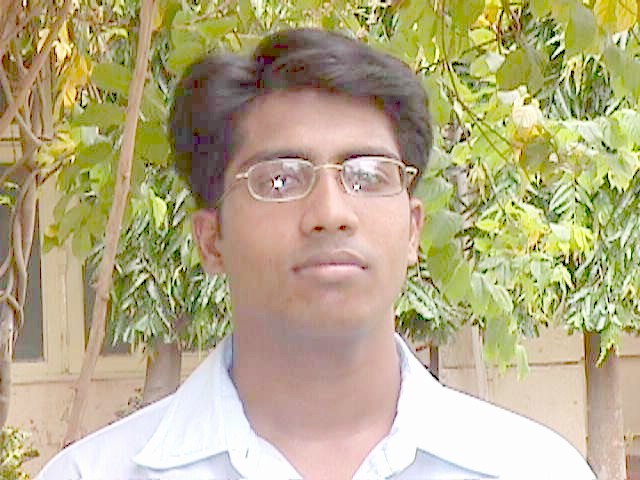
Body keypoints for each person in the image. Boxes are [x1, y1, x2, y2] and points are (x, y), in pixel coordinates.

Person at [38, 28, 595, 480]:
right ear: (212, 239)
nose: (331, 212)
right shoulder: (93, 475)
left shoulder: (535, 470)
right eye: (280, 179)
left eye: (367, 175)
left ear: (413, 230)